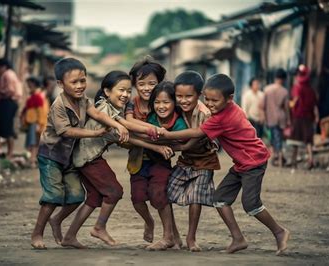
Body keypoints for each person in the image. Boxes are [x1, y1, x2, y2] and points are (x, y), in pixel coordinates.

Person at [159, 74, 290, 255]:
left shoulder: (222, 118)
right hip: (241, 164)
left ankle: (279, 231)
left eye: (215, 100)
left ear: (229, 99)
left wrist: (166, 135)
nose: (210, 104)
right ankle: (238, 239)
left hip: (253, 163)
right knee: (219, 200)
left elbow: (198, 133)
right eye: (207, 99)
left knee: (251, 204)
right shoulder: (228, 109)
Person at [61, 71, 173, 248]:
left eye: (129, 91)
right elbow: (127, 128)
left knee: (94, 197)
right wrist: (155, 131)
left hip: (85, 158)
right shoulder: (104, 109)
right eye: (121, 90)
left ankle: (69, 236)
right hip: (89, 159)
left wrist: (156, 145)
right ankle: (99, 227)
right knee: (114, 191)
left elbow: (127, 136)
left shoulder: (113, 110)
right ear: (107, 91)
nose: (126, 95)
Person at [30, 58, 129, 250]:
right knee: (53, 196)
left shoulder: (84, 100)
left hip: (69, 157)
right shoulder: (59, 105)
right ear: (60, 84)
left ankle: (57, 222)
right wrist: (95, 133)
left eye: (82, 80)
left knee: (76, 195)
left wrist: (117, 124)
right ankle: (37, 234)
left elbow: (99, 115)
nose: (80, 86)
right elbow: (66, 131)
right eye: (74, 82)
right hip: (51, 156)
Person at [125, 56, 181, 247]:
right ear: (134, 84)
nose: (147, 88)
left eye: (152, 83)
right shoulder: (131, 104)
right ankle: (149, 222)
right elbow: (129, 124)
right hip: (137, 159)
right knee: (137, 198)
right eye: (141, 83)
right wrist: (154, 131)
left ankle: (168, 236)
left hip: (159, 160)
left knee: (159, 194)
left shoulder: (162, 102)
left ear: (159, 83)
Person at [167, 71, 220, 252]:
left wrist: (179, 147)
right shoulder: (175, 109)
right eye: (179, 96)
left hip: (205, 159)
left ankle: (191, 238)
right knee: (165, 191)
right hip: (186, 160)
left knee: (195, 197)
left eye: (188, 96)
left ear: (199, 95)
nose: (183, 100)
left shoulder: (205, 113)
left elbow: (199, 137)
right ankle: (173, 234)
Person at [288, 65, 319, 169]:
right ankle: (311, 159)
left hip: (298, 117)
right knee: (308, 140)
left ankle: (294, 160)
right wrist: (316, 116)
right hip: (308, 117)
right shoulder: (311, 89)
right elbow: (315, 105)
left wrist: (290, 104)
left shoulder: (297, 87)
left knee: (296, 139)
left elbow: (295, 100)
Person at [0, 58, 23, 158]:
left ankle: (9, 153)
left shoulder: (7, 74)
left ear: (3, 66)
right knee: (0, 126)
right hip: (8, 102)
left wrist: (0, 93)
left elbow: (10, 91)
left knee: (7, 128)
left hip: (8, 102)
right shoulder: (10, 74)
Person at [263, 69, 290, 167]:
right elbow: (286, 108)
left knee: (274, 138)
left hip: (270, 118)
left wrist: (264, 117)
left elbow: (262, 105)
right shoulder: (284, 91)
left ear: (275, 78)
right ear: (283, 79)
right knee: (279, 138)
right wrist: (288, 120)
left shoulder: (267, 89)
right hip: (281, 117)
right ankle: (279, 158)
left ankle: (277, 157)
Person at [21, 77, 49, 168]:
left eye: (30, 85)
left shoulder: (37, 97)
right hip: (32, 123)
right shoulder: (33, 96)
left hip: (35, 123)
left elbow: (40, 112)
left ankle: (32, 160)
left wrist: (39, 123)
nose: (28, 87)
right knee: (34, 143)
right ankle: (33, 160)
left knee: (33, 143)